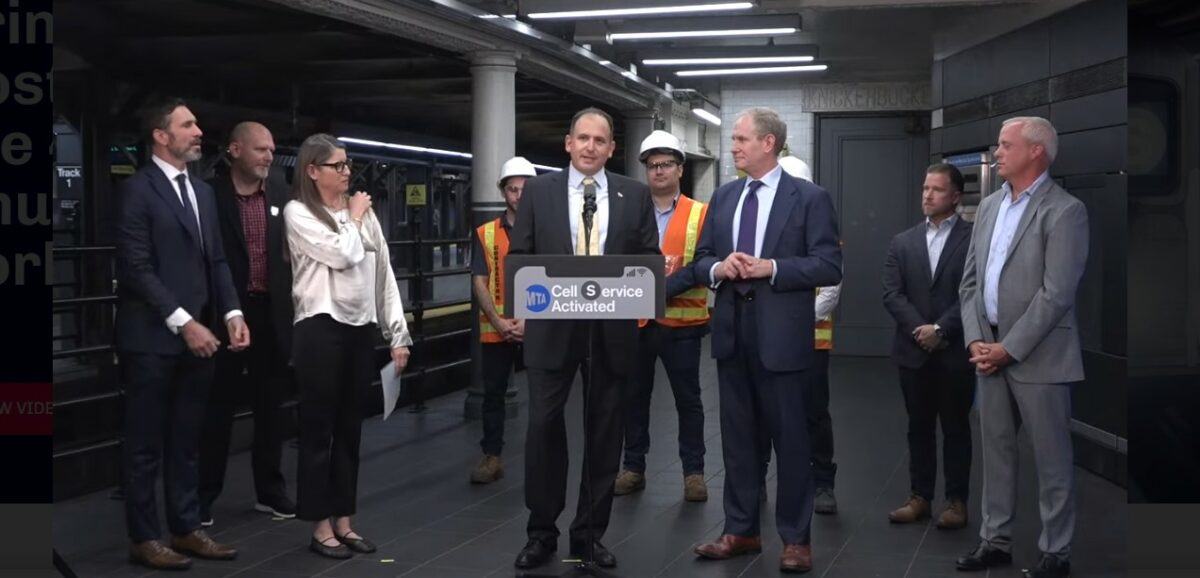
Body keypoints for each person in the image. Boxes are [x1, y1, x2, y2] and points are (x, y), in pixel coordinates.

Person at [691, 108, 842, 574]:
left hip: (783, 340)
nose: (733, 146)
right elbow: (701, 259)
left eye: (741, 139)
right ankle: (741, 530)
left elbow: (828, 265)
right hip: (731, 336)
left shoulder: (810, 198)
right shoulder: (723, 197)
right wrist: (719, 268)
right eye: (734, 139)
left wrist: (771, 267)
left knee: (791, 442)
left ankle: (796, 539)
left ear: (768, 143)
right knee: (737, 440)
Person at [508, 107, 660, 570]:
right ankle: (541, 532)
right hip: (552, 328)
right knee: (543, 428)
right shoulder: (538, 192)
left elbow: (648, 257)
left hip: (610, 331)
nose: (590, 146)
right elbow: (520, 255)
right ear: (568, 143)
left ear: (612, 148)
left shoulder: (634, 195)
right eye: (583, 138)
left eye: (600, 140)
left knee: (605, 432)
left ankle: (589, 535)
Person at [115, 96, 247, 570]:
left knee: (188, 439)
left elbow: (216, 260)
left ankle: (186, 528)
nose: (198, 132)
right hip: (151, 340)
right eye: (187, 125)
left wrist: (231, 311)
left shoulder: (203, 193)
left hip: (200, 339)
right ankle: (144, 538)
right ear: (161, 135)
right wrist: (185, 322)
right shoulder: (137, 191)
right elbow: (136, 268)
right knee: (145, 445)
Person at [955, 117, 1088, 578]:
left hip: (1040, 356)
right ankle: (995, 541)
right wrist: (976, 339)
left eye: (1006, 145)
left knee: (1052, 461)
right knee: (996, 455)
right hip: (987, 350)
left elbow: (1057, 294)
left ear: (1036, 152)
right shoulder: (989, 206)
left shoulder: (1066, 211)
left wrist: (1008, 349)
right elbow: (970, 283)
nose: (997, 152)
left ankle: (1057, 552)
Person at [283, 134, 412, 559]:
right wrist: (355, 216)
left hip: (359, 329)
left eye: (347, 163)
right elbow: (342, 255)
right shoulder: (299, 213)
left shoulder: (362, 214)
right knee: (318, 431)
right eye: (336, 165)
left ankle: (344, 520)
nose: (346, 172)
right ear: (312, 171)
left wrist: (397, 333)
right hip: (319, 329)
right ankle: (319, 525)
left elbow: (382, 272)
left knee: (350, 431)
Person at [199, 122, 295, 526]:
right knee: (216, 408)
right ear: (235, 150)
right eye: (261, 149)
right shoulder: (208, 195)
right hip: (225, 313)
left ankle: (270, 491)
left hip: (270, 313)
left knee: (271, 408)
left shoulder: (281, 195)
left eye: (271, 150)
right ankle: (203, 496)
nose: (269, 156)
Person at [613, 130, 710, 502]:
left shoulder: (701, 214)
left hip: (681, 326)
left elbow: (703, 265)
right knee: (634, 397)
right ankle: (633, 467)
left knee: (689, 400)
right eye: (653, 165)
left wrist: (658, 290)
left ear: (680, 169)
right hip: (636, 324)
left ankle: (694, 473)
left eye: (666, 164)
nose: (659, 171)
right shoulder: (628, 214)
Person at [881, 163, 974, 530]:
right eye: (925, 188)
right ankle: (919, 497)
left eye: (936, 189)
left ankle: (956, 501)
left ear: (956, 196)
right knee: (917, 427)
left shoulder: (974, 239)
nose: (928, 195)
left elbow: (975, 292)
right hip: (913, 351)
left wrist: (941, 329)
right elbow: (892, 294)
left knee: (956, 429)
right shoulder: (902, 242)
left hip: (955, 351)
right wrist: (921, 330)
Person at [778, 155, 842, 514]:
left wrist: (793, 321)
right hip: (773, 340)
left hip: (812, 341)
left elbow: (831, 289)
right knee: (768, 411)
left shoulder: (821, 230)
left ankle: (823, 483)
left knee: (815, 413)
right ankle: (761, 480)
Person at [469, 156, 536, 484]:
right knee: (493, 394)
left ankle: (542, 454)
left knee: (544, 393)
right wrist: (497, 321)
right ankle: (492, 456)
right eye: (513, 189)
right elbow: (479, 280)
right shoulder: (485, 233)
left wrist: (529, 320)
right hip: (498, 329)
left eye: (525, 189)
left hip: (536, 327)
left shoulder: (548, 231)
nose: (519, 196)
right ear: (502, 191)